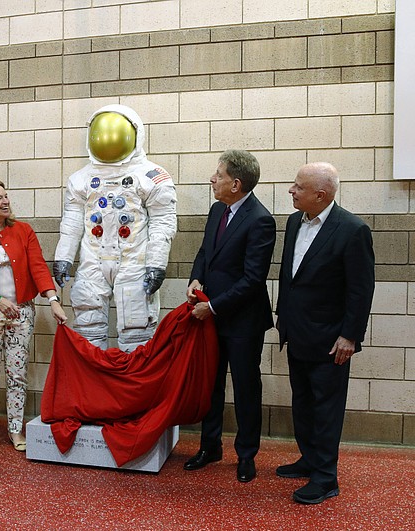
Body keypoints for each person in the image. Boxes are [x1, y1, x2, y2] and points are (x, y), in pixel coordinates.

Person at [276, 162, 375, 504]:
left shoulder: (352, 230)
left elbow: (360, 291)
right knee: (302, 404)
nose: (291, 190)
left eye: (298, 187)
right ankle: (309, 459)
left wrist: (350, 336)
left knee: (326, 409)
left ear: (320, 194)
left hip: (331, 341)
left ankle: (325, 477)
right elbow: (291, 276)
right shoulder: (293, 222)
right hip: (297, 333)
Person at [53, 104, 177, 352]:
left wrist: (156, 264)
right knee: (88, 330)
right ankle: (95, 388)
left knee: (137, 332)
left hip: (135, 261)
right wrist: (63, 257)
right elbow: (72, 222)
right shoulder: (82, 179)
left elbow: (163, 222)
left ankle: (134, 389)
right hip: (93, 259)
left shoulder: (151, 176)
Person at [184, 149, 276, 483]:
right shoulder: (216, 211)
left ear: (236, 183)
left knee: (246, 387)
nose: (212, 179)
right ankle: (210, 447)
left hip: (242, 322)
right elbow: (205, 251)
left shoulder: (260, 220)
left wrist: (214, 306)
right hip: (210, 316)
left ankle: (246, 455)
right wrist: (196, 277)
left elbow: (253, 280)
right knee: (210, 384)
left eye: (218, 174)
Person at [0, 180, 67, 456]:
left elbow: (39, 267)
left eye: (6, 196)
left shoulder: (23, 231)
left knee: (17, 375)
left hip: (21, 313)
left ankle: (15, 429)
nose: (5, 202)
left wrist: (52, 300)